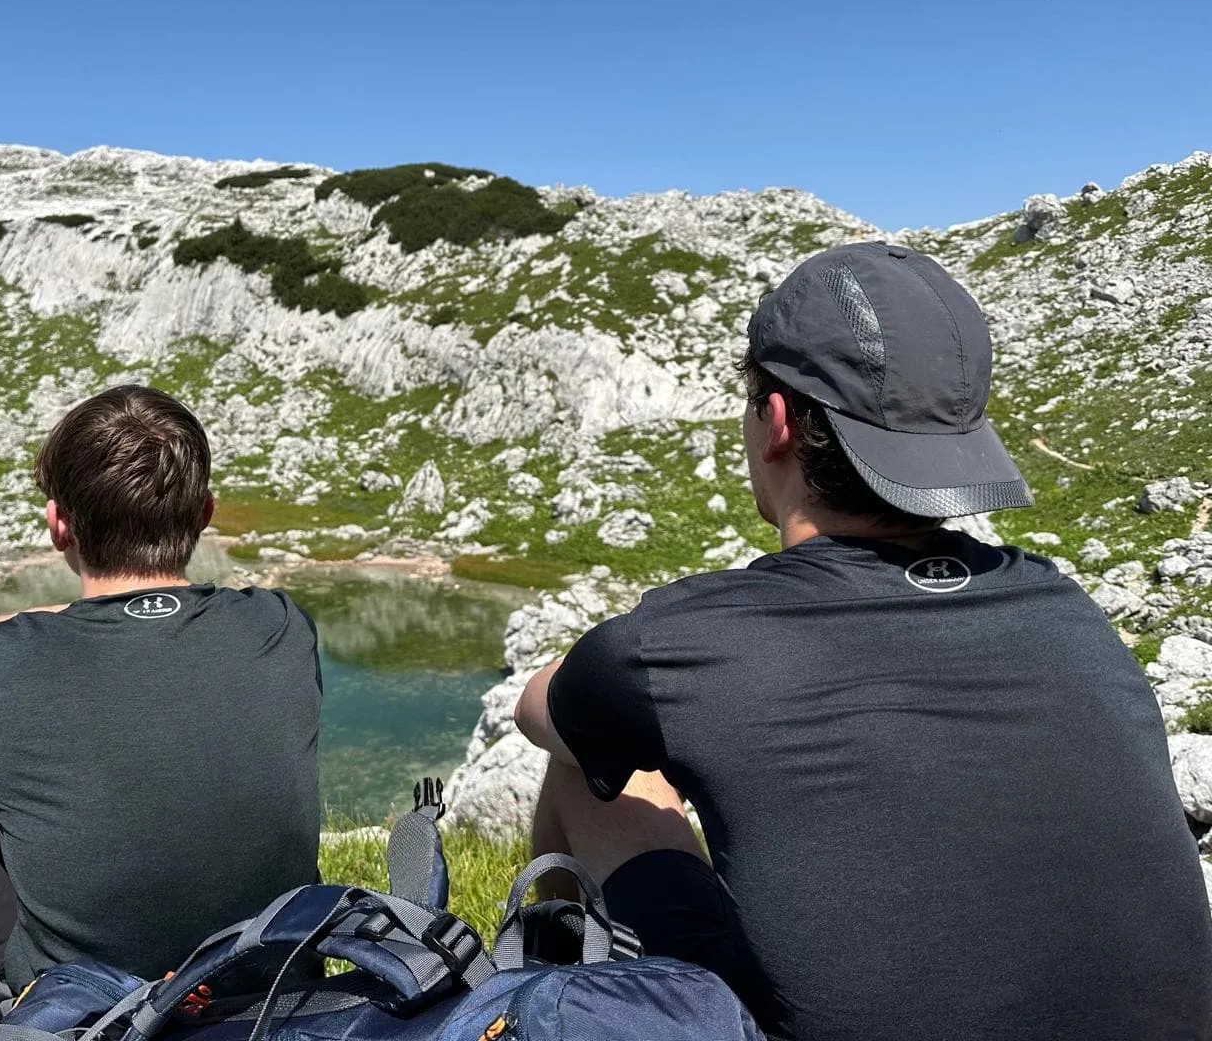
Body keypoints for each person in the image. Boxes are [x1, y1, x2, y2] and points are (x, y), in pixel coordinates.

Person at [515, 242, 1212, 1040]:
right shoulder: (1066, 606)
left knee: (591, 765)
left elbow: (540, 710)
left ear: (776, 420)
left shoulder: (695, 640)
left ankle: (554, 991)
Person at [0, 385, 321, 1025]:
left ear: (60, 526)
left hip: (83, 1022)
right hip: (278, 1007)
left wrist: (35, 623)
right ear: (204, 513)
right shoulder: (282, 627)